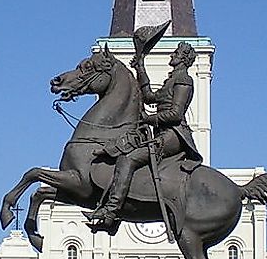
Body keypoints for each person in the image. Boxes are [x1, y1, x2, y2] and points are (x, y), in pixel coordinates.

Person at [85, 33, 201, 232]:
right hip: (162, 133)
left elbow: (175, 114)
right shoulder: (171, 80)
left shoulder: (184, 80)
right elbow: (149, 96)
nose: (172, 55)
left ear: (183, 58)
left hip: (174, 135)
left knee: (128, 159)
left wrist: (149, 119)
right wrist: (140, 66)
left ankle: (111, 212)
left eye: (176, 53)